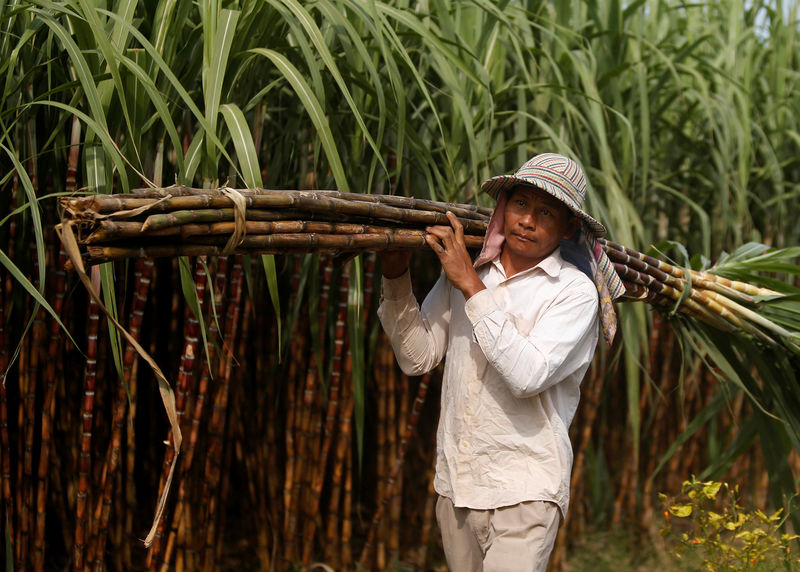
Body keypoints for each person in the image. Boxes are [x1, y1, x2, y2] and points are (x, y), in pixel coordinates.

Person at [377, 153, 624, 571]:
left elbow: (527, 374)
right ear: (504, 207)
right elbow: (417, 358)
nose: (527, 220)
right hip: (457, 485)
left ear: (568, 227)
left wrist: (471, 286)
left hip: (525, 489)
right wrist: (395, 275)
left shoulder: (573, 293)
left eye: (546, 212)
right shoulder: (471, 272)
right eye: (521, 204)